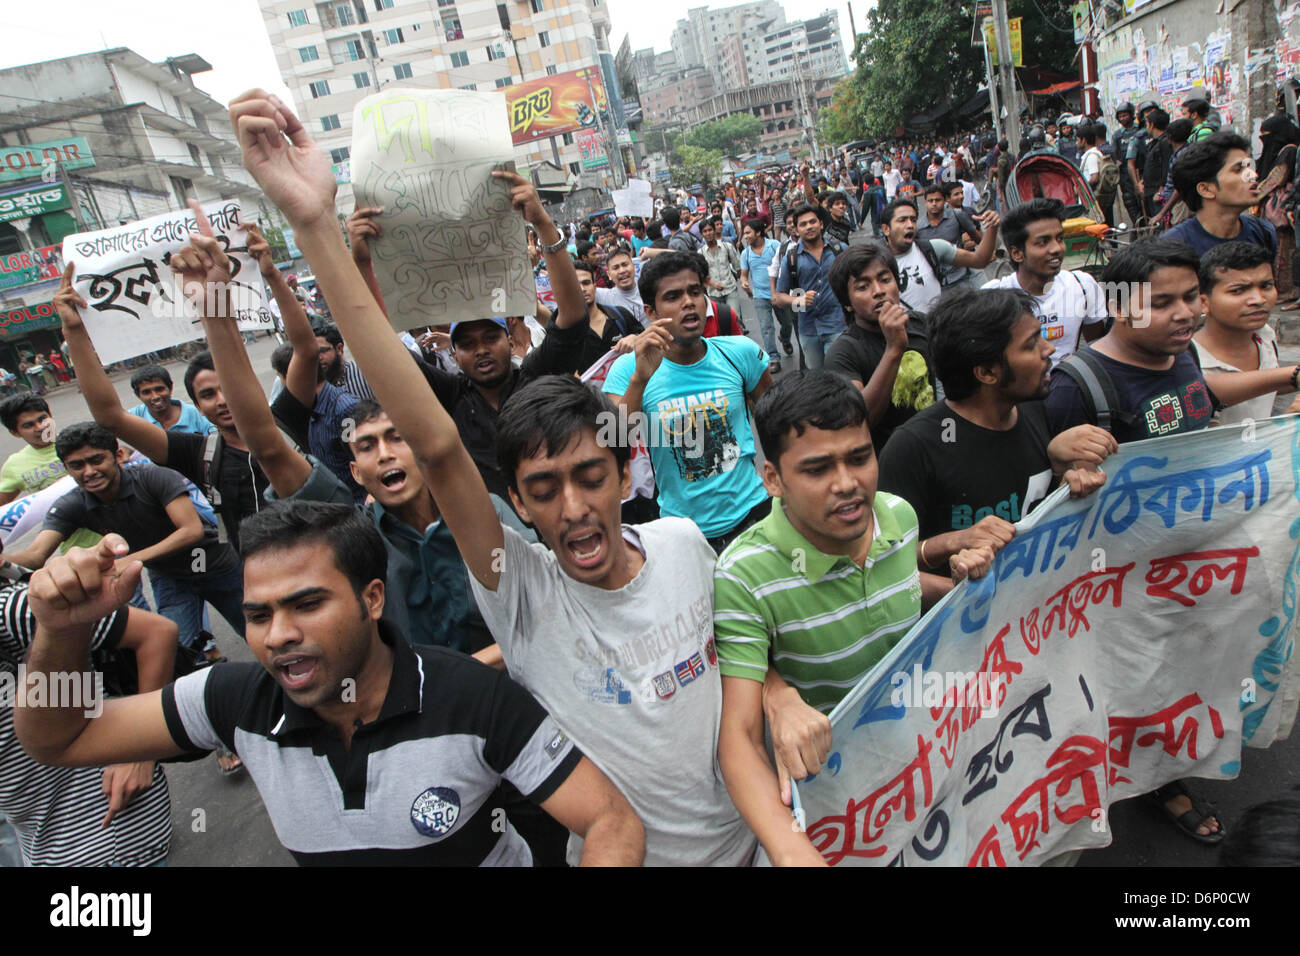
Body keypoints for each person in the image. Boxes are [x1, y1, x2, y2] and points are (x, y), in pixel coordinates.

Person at [225, 88, 751, 864]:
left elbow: (745, 675)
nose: (573, 508)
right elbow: (437, 446)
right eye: (541, 491)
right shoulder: (522, 592)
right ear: (515, 504)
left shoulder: (682, 544)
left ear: (621, 466)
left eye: (588, 477)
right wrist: (317, 229)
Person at [15, 507, 645, 866]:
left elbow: (613, 821)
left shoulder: (467, 696)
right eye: (257, 615)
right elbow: (59, 737)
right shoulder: (232, 700)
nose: (277, 635)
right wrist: (61, 632)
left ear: (373, 598)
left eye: (306, 604)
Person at [714, 371, 993, 866]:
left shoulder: (899, 517)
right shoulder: (743, 575)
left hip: (929, 761)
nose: (848, 485)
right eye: (817, 469)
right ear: (772, 478)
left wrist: (961, 591)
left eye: (860, 458)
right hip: (839, 802)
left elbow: (897, 588)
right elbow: (735, 737)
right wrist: (793, 852)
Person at [879, 287, 1113, 575]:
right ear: (987, 373)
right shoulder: (912, 448)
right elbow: (882, 564)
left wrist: (1063, 476)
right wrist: (954, 542)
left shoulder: (1036, 410)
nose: (1048, 349)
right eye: (1030, 345)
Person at [5, 422, 247, 671]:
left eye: (96, 460)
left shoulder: (153, 477)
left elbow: (191, 531)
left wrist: (127, 561)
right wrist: (4, 561)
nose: (89, 471)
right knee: (176, 653)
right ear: (66, 469)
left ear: (118, 455)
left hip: (212, 564)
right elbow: (35, 555)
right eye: (77, 465)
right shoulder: (71, 504)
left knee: (257, 631)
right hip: (170, 578)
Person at [0, 574, 178, 866]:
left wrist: (140, 756)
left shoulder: (12, 611)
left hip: (105, 833)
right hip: (37, 842)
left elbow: (157, 633)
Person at [605, 251, 774, 551]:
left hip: (756, 518)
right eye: (673, 296)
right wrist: (640, 380)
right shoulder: (628, 369)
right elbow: (614, 441)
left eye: (695, 292)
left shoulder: (740, 352)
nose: (688, 302)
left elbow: (777, 424)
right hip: (684, 536)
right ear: (651, 312)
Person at [825, 242, 937, 452]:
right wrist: (894, 349)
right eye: (862, 286)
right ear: (847, 302)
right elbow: (859, 420)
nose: (878, 291)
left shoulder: (922, 324)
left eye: (885, 280)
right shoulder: (843, 352)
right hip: (889, 463)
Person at [981, 198, 1108, 368]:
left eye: (1060, 238)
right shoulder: (993, 297)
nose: (1057, 248)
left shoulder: (1082, 285)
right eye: (1042, 242)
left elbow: (1097, 350)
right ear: (1017, 253)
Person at [1193, 241, 1300, 425]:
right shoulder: (1186, 360)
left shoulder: (1265, 336)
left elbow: (1263, 390)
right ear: (1203, 302)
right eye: (1238, 291)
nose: (1258, 300)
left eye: (1266, 286)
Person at [1166, 132, 1276, 259]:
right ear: (1206, 189)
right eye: (1238, 169)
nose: (1253, 176)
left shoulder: (1263, 232)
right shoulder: (1173, 248)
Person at [881, 199, 1000, 314]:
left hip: (937, 329)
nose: (910, 225)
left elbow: (979, 260)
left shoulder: (933, 248)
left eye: (913, 220)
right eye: (902, 220)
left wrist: (992, 227)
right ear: (886, 229)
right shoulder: (876, 263)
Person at [773, 203, 847, 370]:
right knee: (818, 381)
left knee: (841, 376)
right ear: (796, 230)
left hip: (838, 325)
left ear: (821, 224)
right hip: (808, 330)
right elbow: (778, 297)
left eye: (812, 222)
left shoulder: (839, 250)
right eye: (803, 224)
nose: (809, 227)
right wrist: (798, 300)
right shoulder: (791, 258)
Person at [0, 394, 63, 507]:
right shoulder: (15, 465)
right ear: (15, 433)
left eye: (42, 419)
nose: (40, 427)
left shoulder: (81, 441)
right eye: (28, 425)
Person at [917, 184, 983, 288]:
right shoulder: (918, 227)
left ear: (944, 201)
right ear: (925, 202)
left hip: (961, 278)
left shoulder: (957, 215)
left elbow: (978, 239)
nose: (934, 204)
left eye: (937, 200)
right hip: (937, 284)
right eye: (930, 201)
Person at [740, 220, 784, 373]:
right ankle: (773, 357)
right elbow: (744, 275)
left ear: (758, 233)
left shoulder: (774, 246)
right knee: (766, 327)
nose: (745, 236)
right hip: (760, 296)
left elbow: (783, 267)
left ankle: (785, 339)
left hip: (779, 294)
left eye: (748, 233)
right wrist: (745, 283)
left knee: (787, 324)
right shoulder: (746, 254)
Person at [126, 366, 216, 436]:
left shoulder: (197, 416)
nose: (155, 397)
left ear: (170, 388)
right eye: (146, 392)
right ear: (138, 395)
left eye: (159, 389)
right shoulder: (135, 417)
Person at [700, 217, 743, 320]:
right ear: (702, 234)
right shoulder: (700, 253)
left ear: (714, 231)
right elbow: (701, 276)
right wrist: (713, 284)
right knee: (721, 323)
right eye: (705, 231)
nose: (708, 233)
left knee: (735, 318)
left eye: (710, 230)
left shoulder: (727, 247)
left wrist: (738, 280)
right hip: (713, 293)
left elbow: (737, 266)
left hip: (730, 289)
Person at [594, 246, 647, 328]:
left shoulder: (650, 287)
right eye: (616, 268)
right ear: (609, 275)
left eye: (625, 265)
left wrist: (651, 252)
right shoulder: (604, 296)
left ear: (634, 267)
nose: (622, 271)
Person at [1141, 108, 1173, 220]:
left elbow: (1166, 166)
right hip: (1150, 190)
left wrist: (1161, 190)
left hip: (1158, 192)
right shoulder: (1155, 142)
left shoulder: (1165, 142)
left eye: (1146, 123)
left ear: (1152, 124)